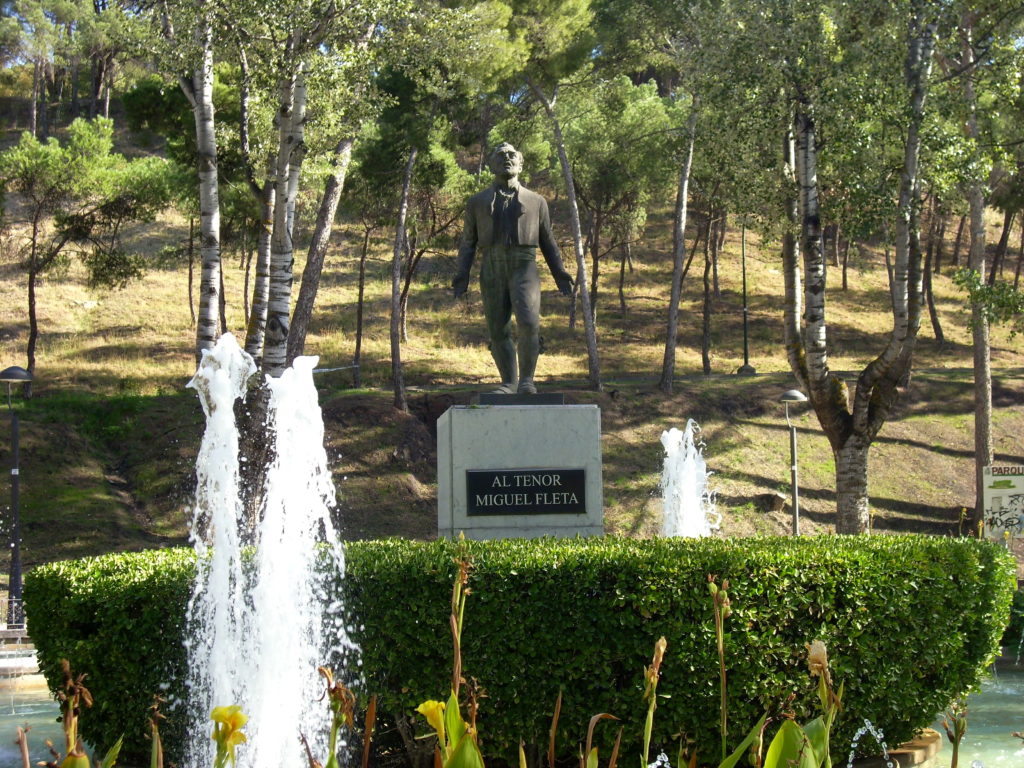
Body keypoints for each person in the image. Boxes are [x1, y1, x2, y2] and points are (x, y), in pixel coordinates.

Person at [452, 142, 574, 394]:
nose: (506, 159)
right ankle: (509, 381)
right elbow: (468, 241)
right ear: (490, 165)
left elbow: (547, 239)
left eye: (511, 155)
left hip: (524, 264)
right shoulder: (477, 202)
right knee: (497, 328)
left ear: (520, 163)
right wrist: (461, 274)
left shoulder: (536, 201)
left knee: (529, 323)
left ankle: (527, 380)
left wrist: (559, 271)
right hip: (492, 266)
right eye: (500, 155)